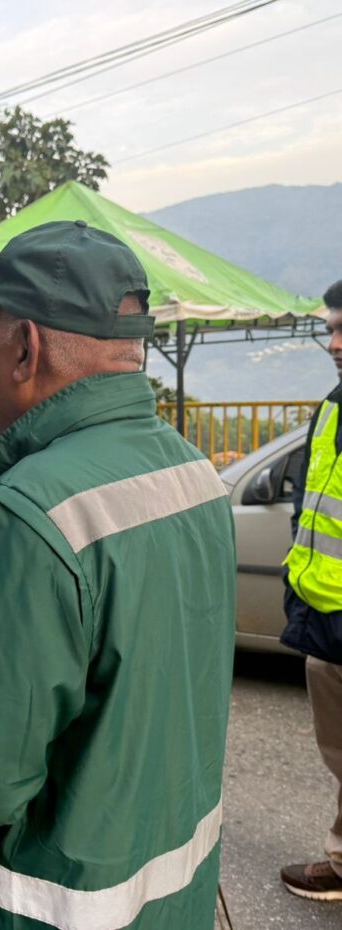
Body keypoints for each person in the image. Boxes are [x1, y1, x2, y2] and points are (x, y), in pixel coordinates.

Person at [0, 220, 237, 929]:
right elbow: (117, 639)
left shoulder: (30, 513)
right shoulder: (193, 475)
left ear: (24, 349)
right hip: (168, 903)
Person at [279, 281, 342, 901]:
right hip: (324, 615)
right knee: (340, 754)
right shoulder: (331, 408)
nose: (335, 343)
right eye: (331, 329)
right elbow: (311, 508)